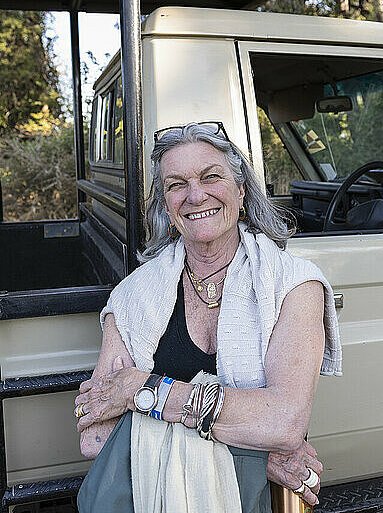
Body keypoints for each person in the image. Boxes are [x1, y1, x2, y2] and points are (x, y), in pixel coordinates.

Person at [74, 121, 342, 512]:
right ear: (166, 205)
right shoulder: (134, 297)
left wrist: (141, 390)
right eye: (176, 184)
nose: (195, 195)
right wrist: (256, 455)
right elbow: (95, 436)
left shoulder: (294, 286)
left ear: (241, 190)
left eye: (210, 176)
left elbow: (284, 423)